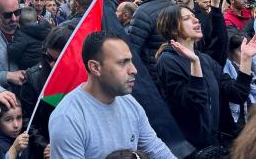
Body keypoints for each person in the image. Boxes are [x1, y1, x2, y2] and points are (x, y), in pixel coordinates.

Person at [49, 31, 175, 159]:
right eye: (122, 62)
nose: (133, 70)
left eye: (130, 61)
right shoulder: (68, 118)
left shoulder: (129, 102)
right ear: (95, 68)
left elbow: (156, 149)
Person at [156, 4, 256, 150]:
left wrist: (246, 59)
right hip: (192, 147)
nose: (196, 20)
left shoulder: (204, 59)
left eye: (194, 16)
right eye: (187, 18)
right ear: (173, 29)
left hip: (214, 143)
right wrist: (195, 64)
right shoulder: (168, 60)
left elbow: (237, 94)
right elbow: (194, 106)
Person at [21, 26, 72, 158]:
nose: (52, 64)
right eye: (48, 58)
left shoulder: (80, 77)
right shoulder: (33, 78)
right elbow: (27, 119)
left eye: (59, 60)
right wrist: (45, 146)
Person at [128, 0, 172, 82]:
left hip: (153, 74)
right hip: (174, 68)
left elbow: (133, 48)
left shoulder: (142, 12)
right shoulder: (175, 6)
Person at [224, 33, 256, 138]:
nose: (246, 53)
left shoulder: (252, 65)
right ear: (230, 52)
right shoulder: (227, 70)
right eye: (241, 51)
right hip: (239, 124)